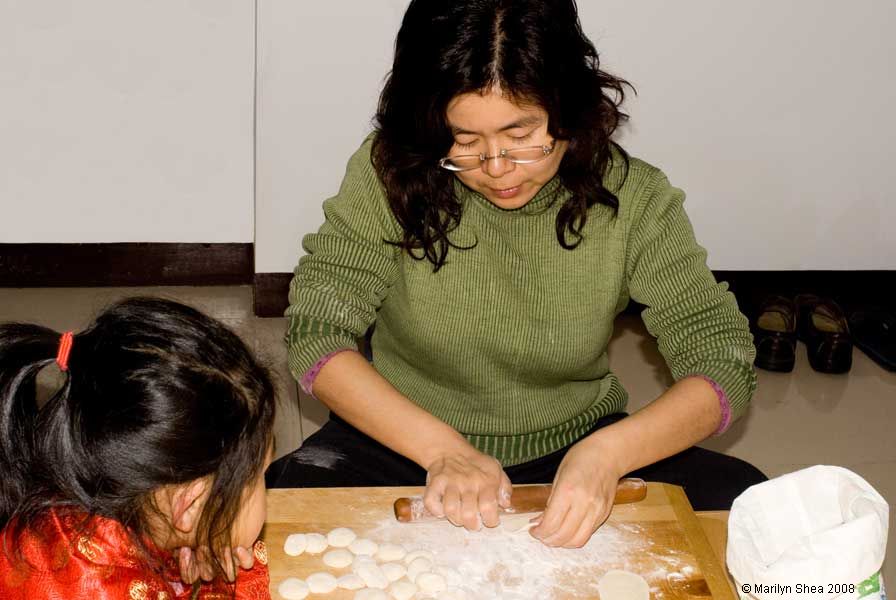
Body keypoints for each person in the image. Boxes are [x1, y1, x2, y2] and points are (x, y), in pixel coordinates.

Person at [267, 0, 766, 548]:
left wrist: (608, 455)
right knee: (277, 511)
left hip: (575, 448)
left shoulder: (635, 198)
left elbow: (721, 357)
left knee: (748, 509)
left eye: (522, 134)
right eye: (464, 141)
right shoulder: (390, 171)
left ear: (568, 108)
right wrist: (443, 451)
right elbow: (318, 331)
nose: (498, 167)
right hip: (405, 440)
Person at [0, 297, 275, 599]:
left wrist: (199, 550)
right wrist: (237, 582)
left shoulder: (110, 497)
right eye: (261, 476)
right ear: (190, 505)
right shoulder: (94, 589)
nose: (267, 492)